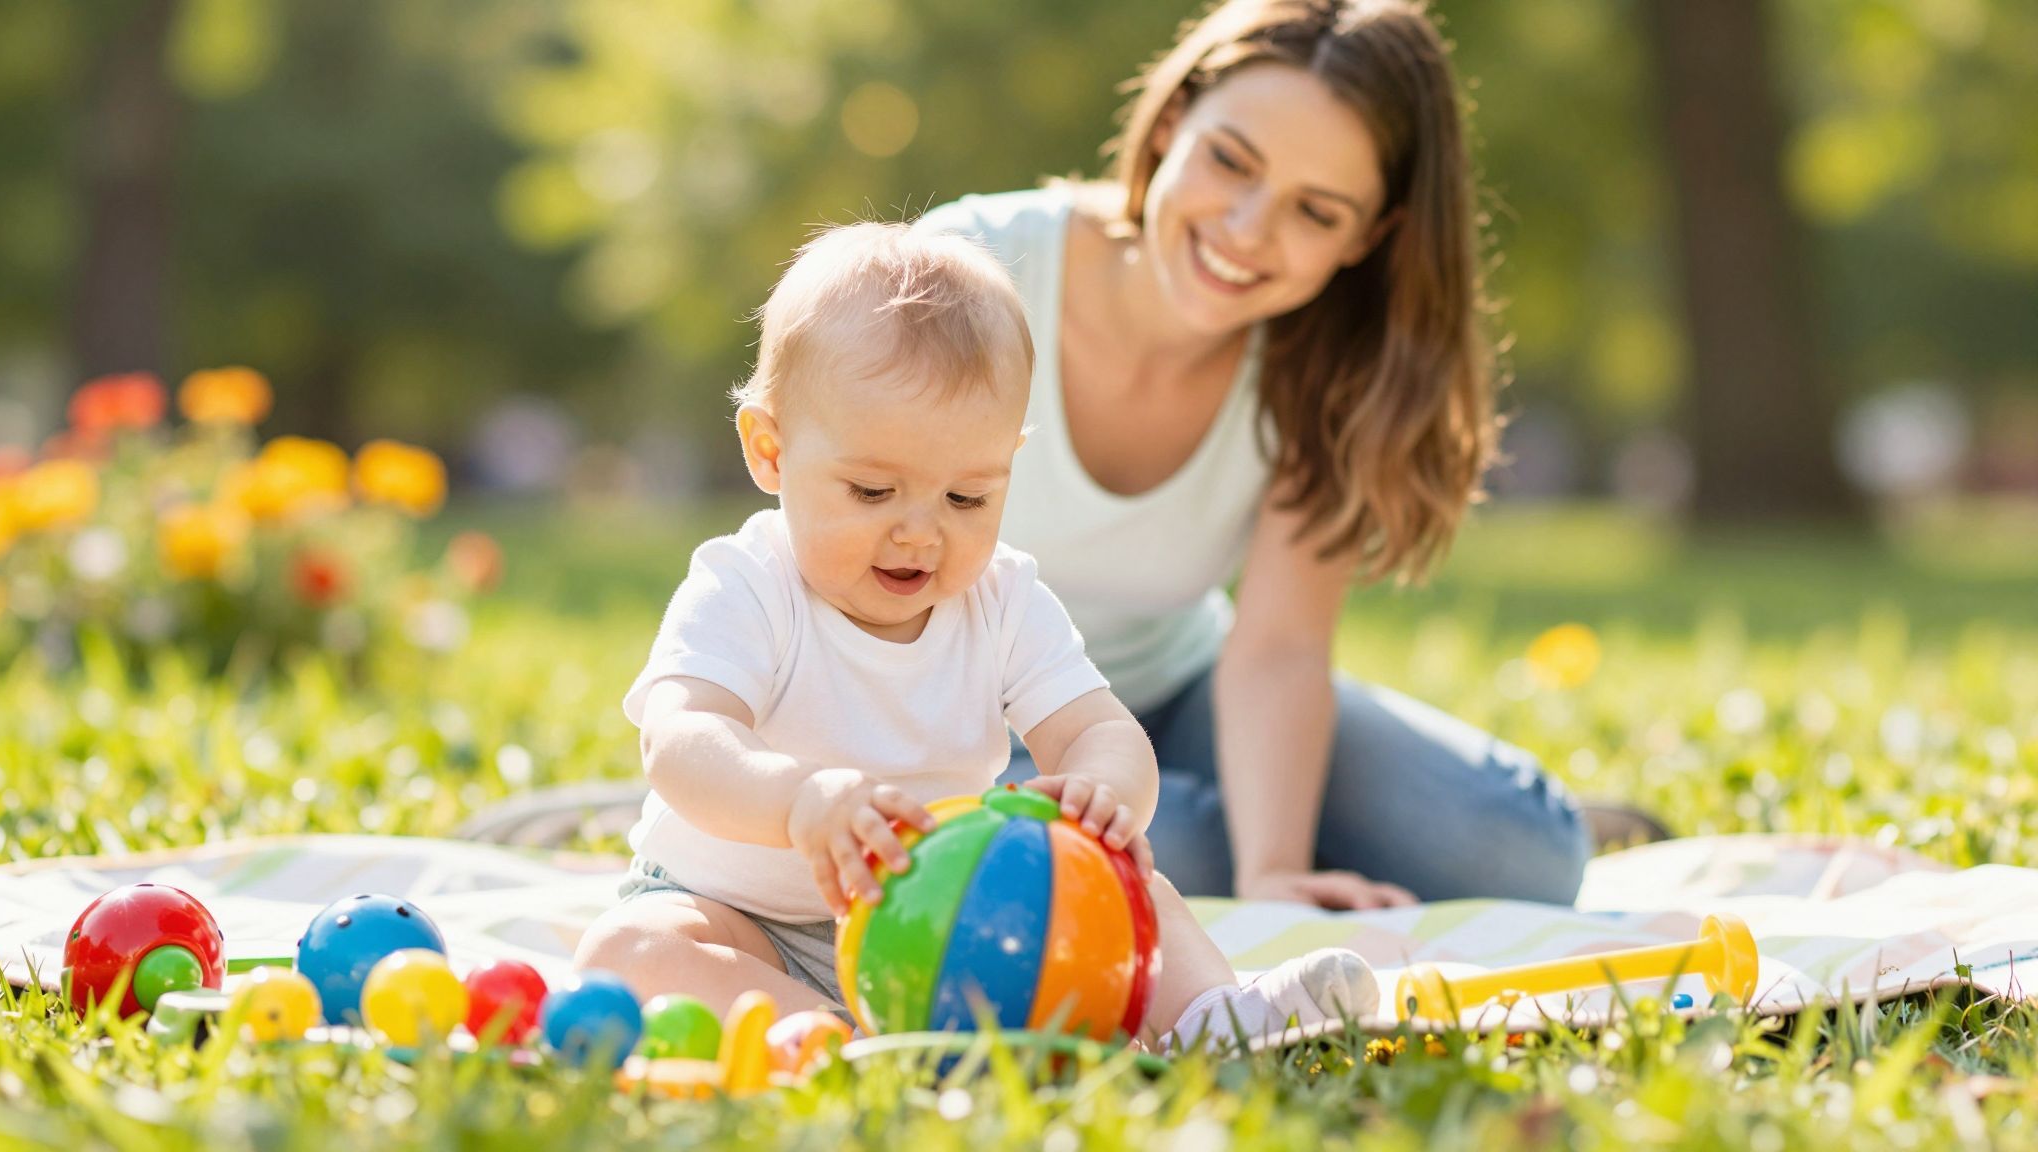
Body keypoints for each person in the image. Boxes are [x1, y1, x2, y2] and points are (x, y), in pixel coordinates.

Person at [572, 222, 1380, 1049]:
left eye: (967, 499)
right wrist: (796, 801)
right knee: (629, 949)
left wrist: (1103, 791)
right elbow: (681, 737)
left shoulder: (1002, 599)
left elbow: (1096, 726)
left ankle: (1216, 1018)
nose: (921, 534)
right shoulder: (747, 583)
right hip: (747, 918)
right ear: (771, 451)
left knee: (1133, 882)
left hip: (949, 917)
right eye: (873, 491)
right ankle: (827, 1037)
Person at [915, 0, 1612, 908]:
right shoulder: (968, 271)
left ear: (1367, 238)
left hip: (1170, 698)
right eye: (1230, 160)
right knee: (1182, 852)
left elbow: (1279, 648)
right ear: (1172, 124)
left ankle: (1283, 831)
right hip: (938, 720)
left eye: (1314, 212)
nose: (1246, 228)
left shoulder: (1327, 368)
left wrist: (1274, 867)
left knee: (1523, 854)